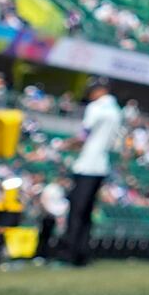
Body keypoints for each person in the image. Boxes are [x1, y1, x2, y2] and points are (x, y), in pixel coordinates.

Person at [60, 78, 123, 268]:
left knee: (76, 212)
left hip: (87, 164)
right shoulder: (116, 111)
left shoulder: (96, 108)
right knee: (87, 213)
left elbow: (83, 135)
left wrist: (65, 145)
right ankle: (82, 253)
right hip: (101, 166)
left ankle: (68, 254)